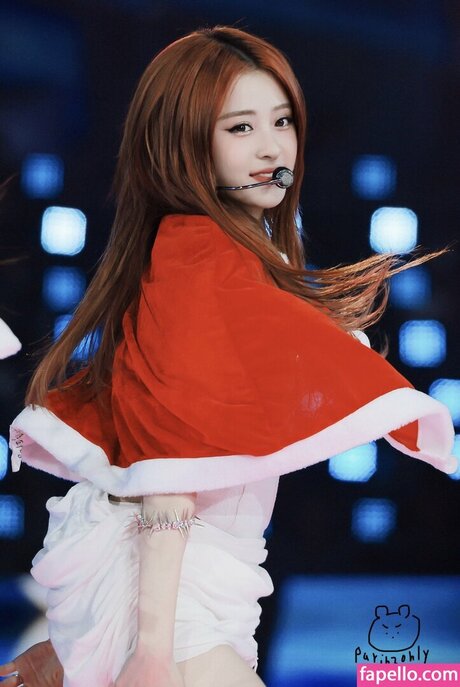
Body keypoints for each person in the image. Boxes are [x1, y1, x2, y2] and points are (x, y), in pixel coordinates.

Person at [1, 25, 457, 687]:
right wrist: (148, 652)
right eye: (241, 128)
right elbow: (167, 464)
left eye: (282, 121)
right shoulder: (200, 264)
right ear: (185, 143)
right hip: (179, 624)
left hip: (179, 611)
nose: (272, 147)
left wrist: (79, 644)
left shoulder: (198, 256)